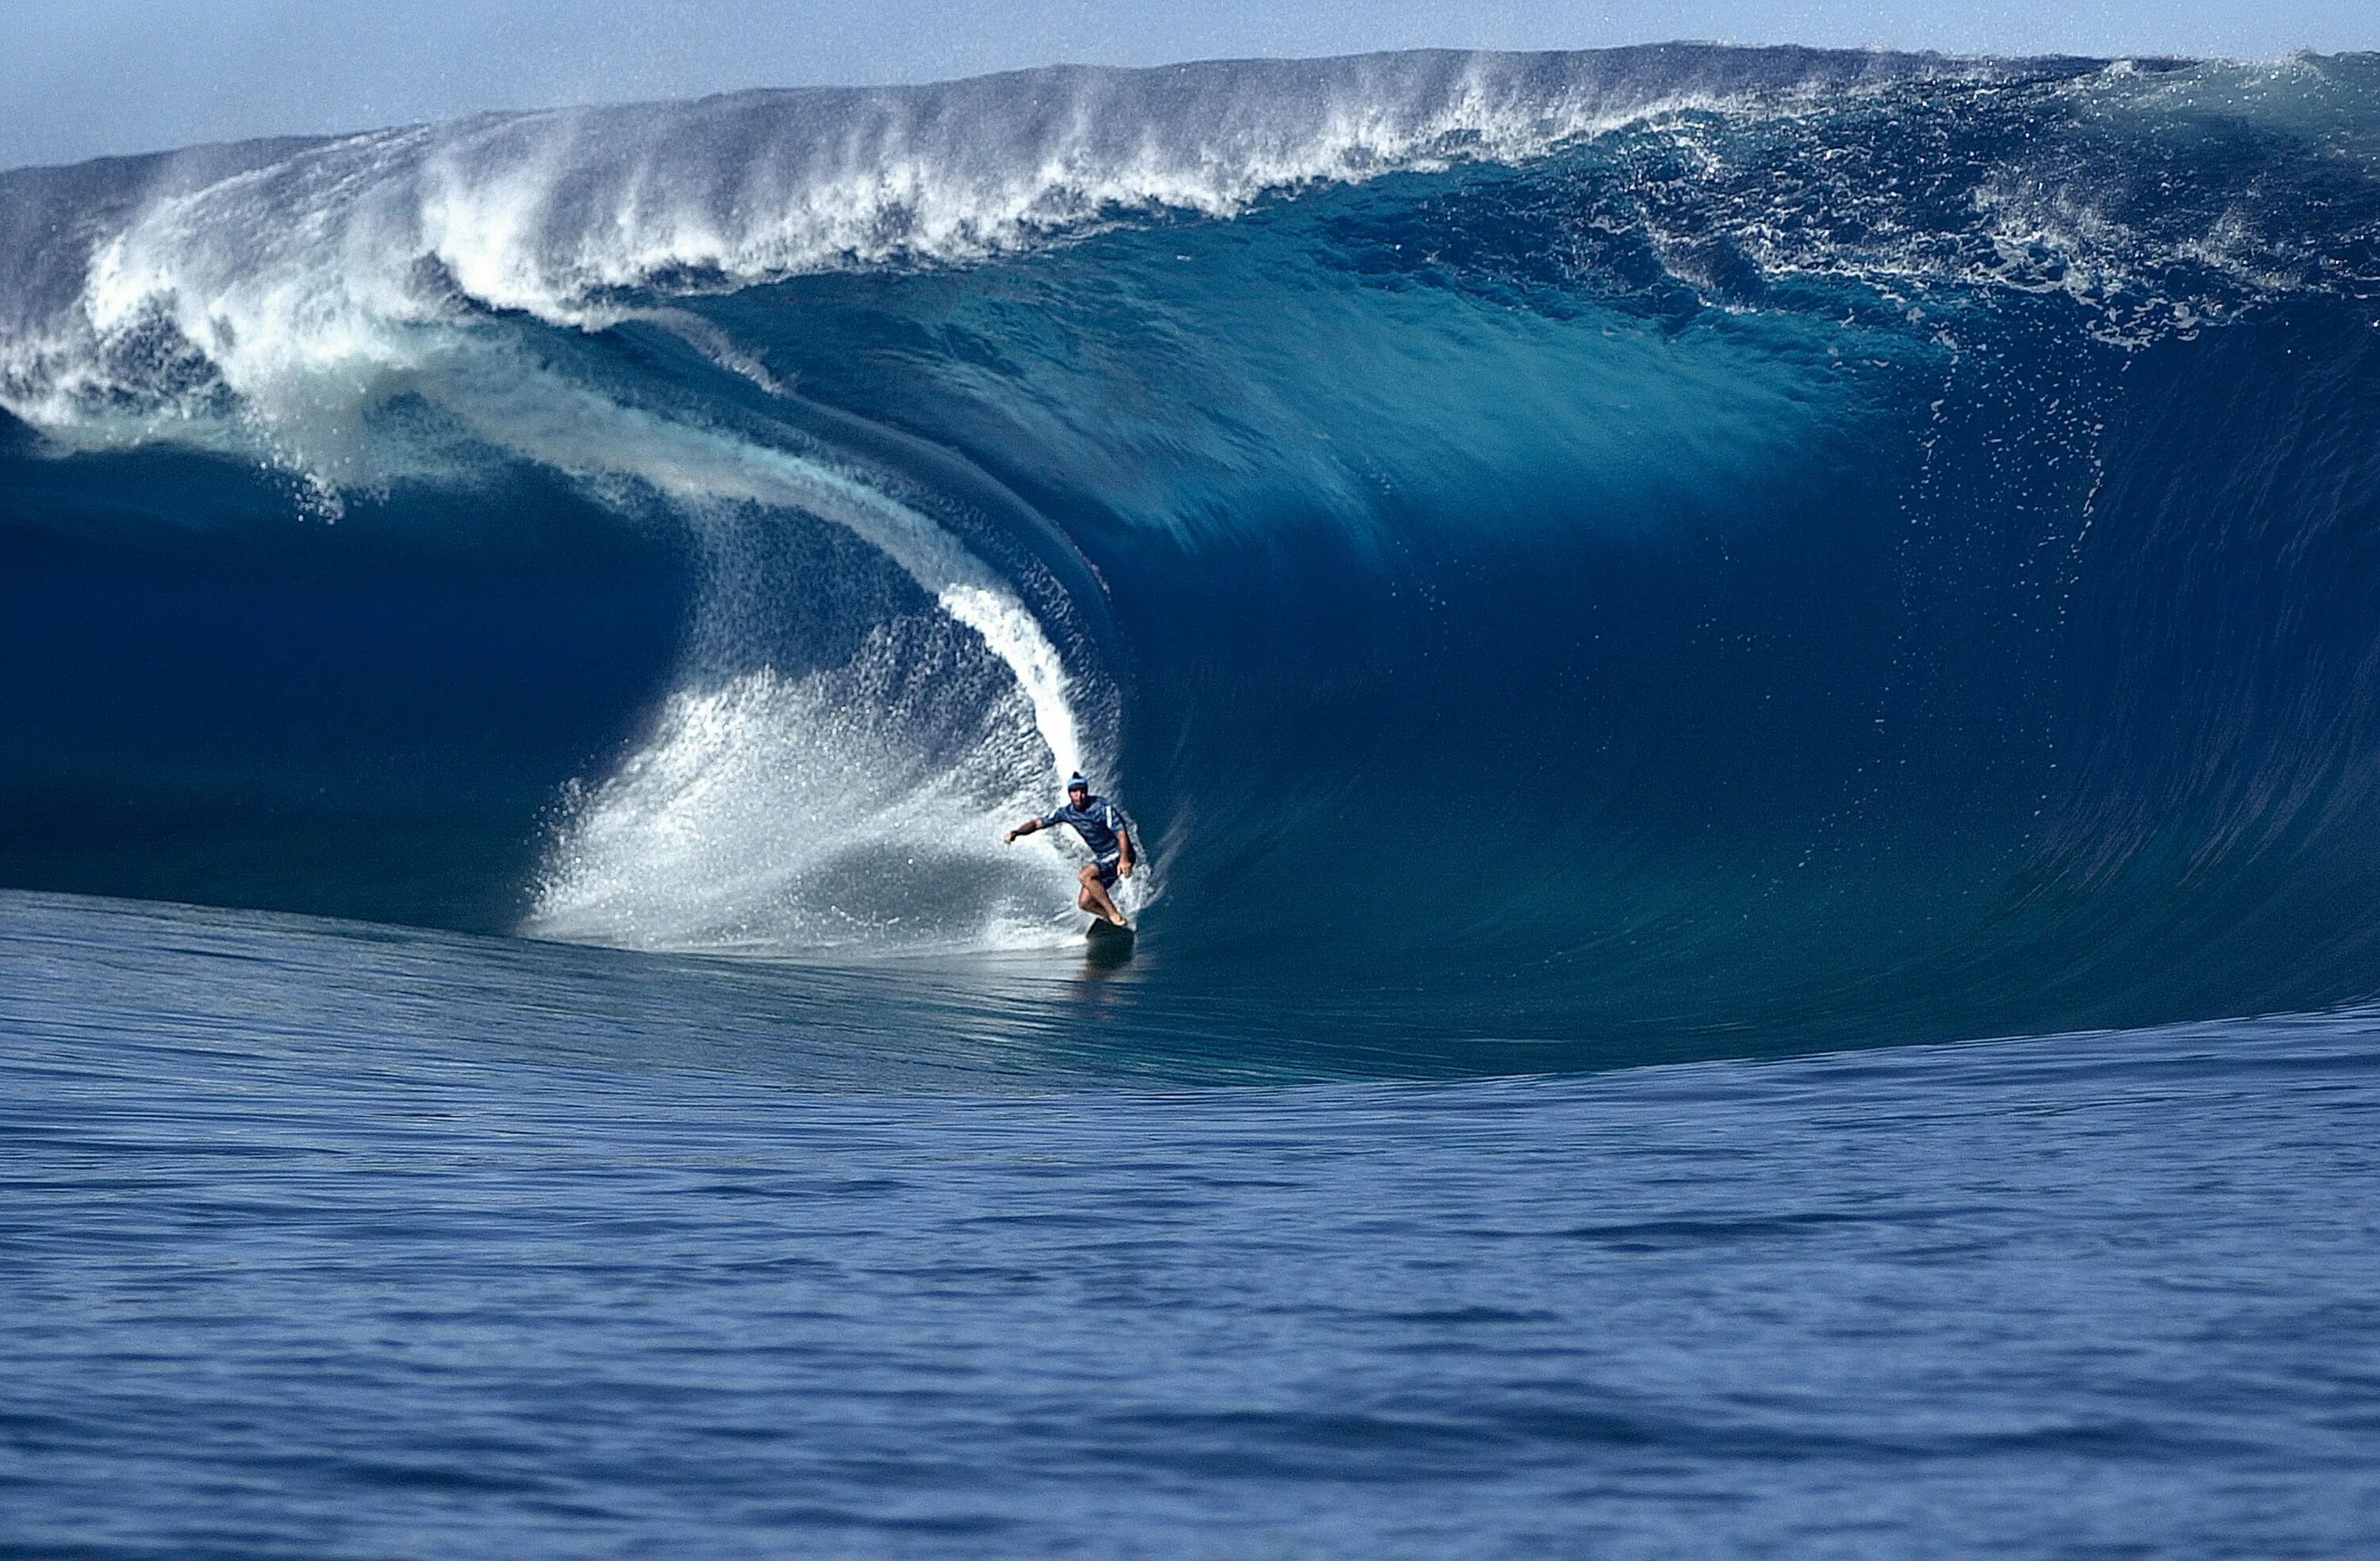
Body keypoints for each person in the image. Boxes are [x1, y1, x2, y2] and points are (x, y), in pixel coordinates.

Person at [1002, 773, 1135, 926]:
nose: (1079, 796)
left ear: (1087, 791)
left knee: (1085, 876)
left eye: (1082, 791)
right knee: (1085, 903)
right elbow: (1038, 823)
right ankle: (1117, 921)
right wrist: (1016, 833)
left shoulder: (1101, 807)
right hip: (1103, 857)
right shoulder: (1067, 813)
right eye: (1075, 791)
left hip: (1119, 853)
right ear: (1069, 793)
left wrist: (1124, 858)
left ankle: (1113, 914)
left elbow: (1121, 832)